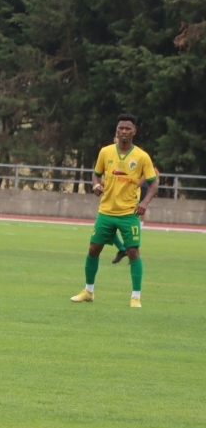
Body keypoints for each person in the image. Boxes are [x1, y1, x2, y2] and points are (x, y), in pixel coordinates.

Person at [71, 114, 158, 308]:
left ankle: (135, 297)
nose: (124, 132)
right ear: (116, 131)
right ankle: (88, 291)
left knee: (133, 252)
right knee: (93, 249)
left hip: (129, 213)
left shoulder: (142, 157)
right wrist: (95, 186)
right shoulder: (105, 152)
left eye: (128, 128)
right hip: (106, 212)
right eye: (121, 128)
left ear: (134, 131)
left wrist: (144, 202)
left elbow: (153, 184)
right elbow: (95, 176)